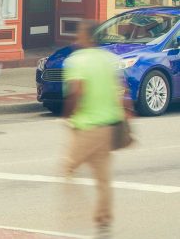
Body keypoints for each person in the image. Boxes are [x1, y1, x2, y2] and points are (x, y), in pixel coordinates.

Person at [63, 20, 130, 238]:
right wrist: (125, 115)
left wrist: (68, 115)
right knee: (103, 179)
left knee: (68, 169)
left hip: (87, 127)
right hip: (108, 127)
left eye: (80, 34)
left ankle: (74, 219)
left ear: (88, 38)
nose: (77, 38)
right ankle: (103, 221)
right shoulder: (109, 59)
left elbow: (76, 92)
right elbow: (121, 91)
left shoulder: (78, 60)